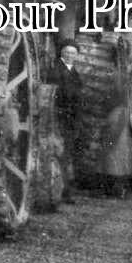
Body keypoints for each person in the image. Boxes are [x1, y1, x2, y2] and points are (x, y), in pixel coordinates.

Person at [53, 41, 83, 202]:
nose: (70, 55)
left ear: (77, 55)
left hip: (71, 119)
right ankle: (64, 191)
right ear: (61, 53)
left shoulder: (73, 71)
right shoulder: (57, 70)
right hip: (62, 118)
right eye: (67, 52)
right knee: (62, 155)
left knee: (67, 154)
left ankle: (66, 189)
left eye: (73, 53)